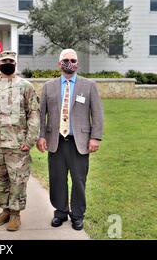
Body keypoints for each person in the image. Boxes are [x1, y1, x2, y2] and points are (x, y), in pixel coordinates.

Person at [36, 49, 103, 231]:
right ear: (59, 64)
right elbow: (42, 114)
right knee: (57, 179)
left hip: (79, 142)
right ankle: (60, 212)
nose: (69, 63)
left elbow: (97, 113)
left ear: (77, 63)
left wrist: (95, 137)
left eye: (73, 60)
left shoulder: (88, 86)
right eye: (66, 60)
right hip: (55, 141)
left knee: (79, 180)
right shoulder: (49, 86)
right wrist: (41, 135)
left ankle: (77, 215)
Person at [0, 51, 39, 231]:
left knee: (17, 179)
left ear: (15, 63)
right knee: (0, 178)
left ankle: (16, 214)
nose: (7, 63)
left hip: (18, 143)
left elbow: (33, 113)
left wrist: (30, 139)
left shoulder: (26, 86)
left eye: (10, 60)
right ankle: (5, 210)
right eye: (3, 61)